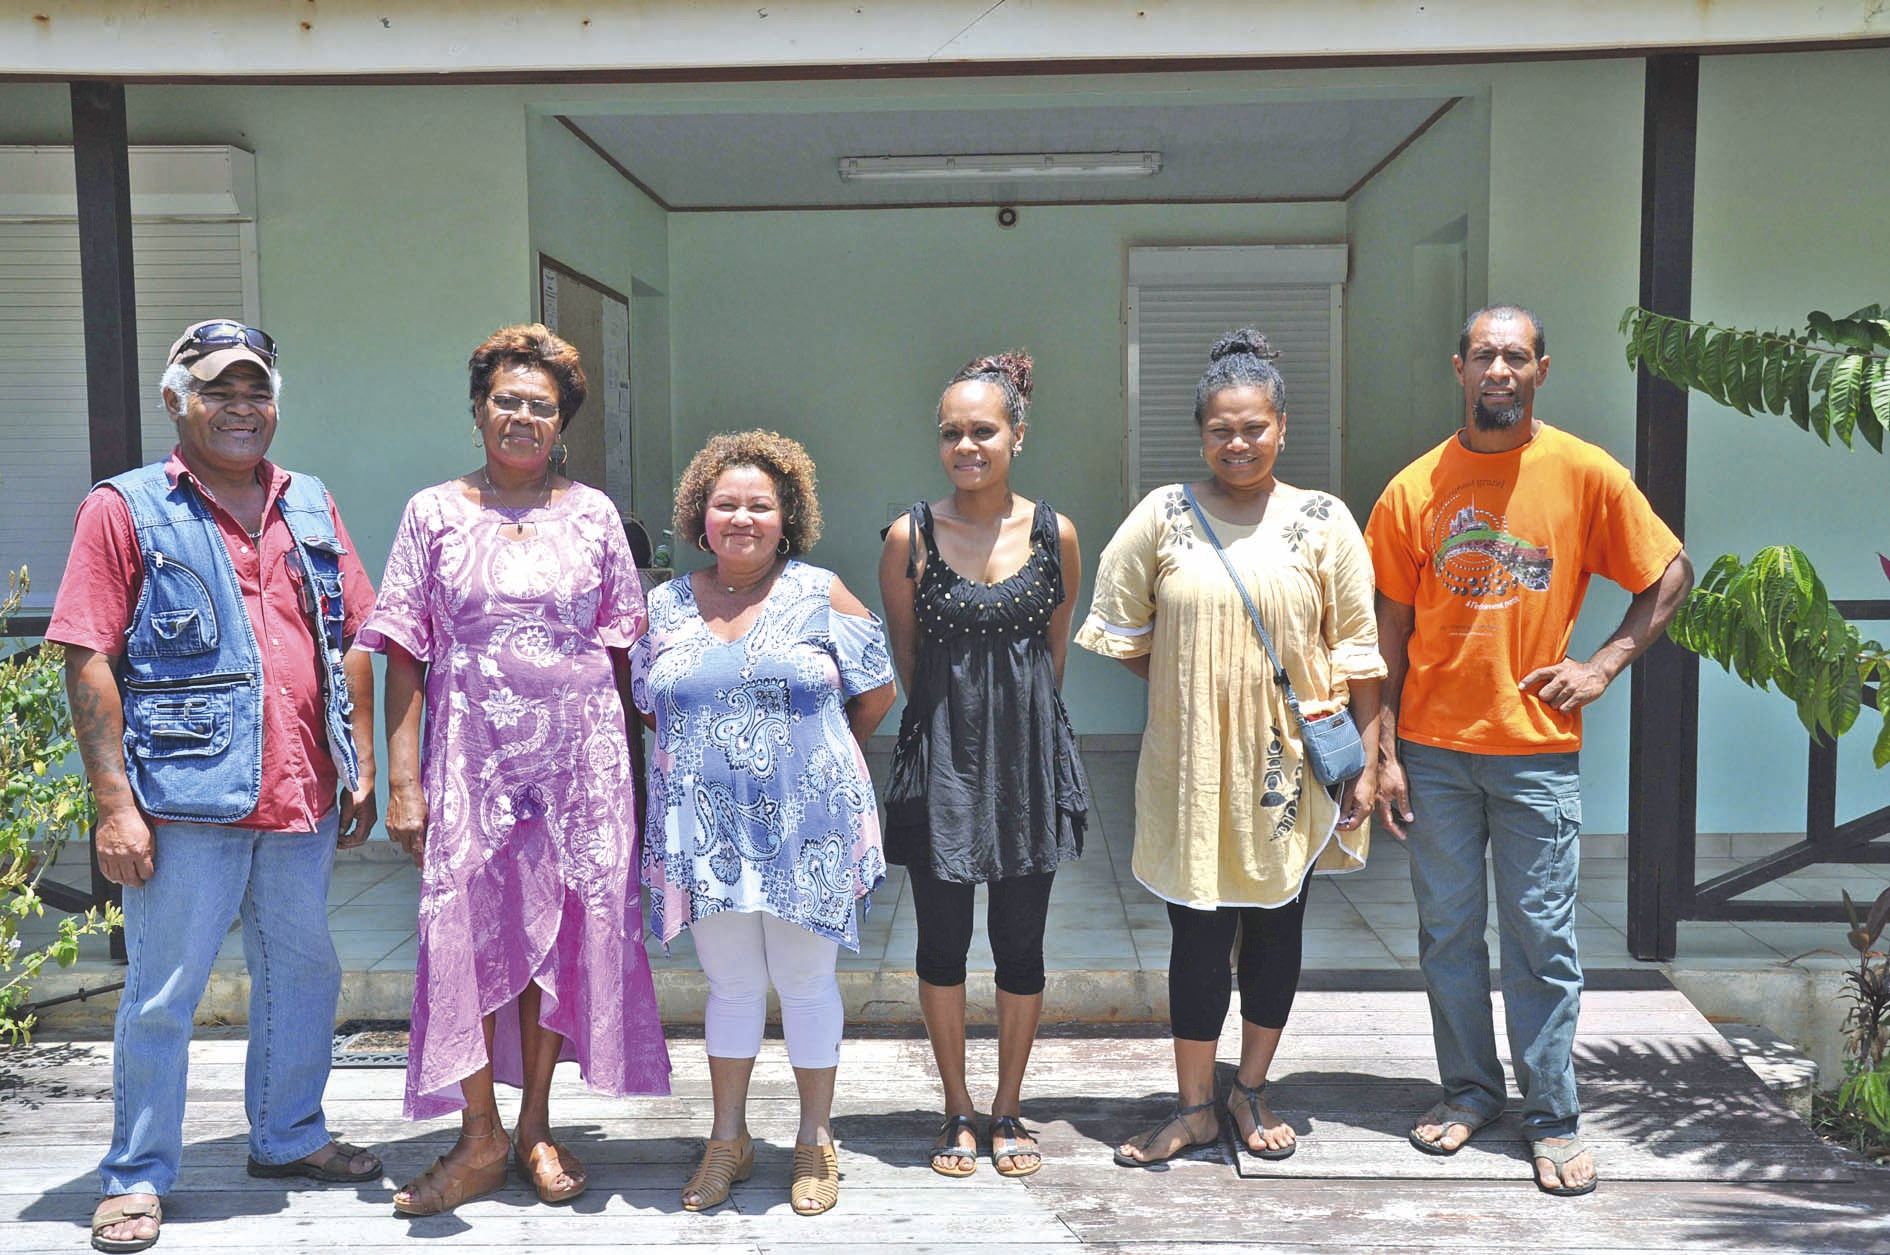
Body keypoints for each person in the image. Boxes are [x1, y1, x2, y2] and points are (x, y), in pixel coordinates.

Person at [52, 320, 382, 1254]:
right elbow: (87, 654)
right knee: (163, 990)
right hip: (184, 797)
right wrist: (114, 804)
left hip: (300, 789)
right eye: (219, 389)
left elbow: (355, 632)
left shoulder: (309, 502)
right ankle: (134, 1175)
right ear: (177, 401)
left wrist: (352, 758)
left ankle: (287, 1135)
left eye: (256, 390)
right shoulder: (122, 508)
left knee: (305, 971)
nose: (242, 406)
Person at [1365, 304, 1692, 1197]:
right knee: (1448, 936)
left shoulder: (1585, 474)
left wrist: (1605, 662)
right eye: (1484, 356)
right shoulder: (1413, 489)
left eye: (1515, 356)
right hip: (1431, 751)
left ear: (1542, 369)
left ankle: (1552, 1116)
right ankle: (1470, 1091)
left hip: (1537, 751)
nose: (1498, 370)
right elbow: (1387, 627)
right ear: (1459, 367)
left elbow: (1670, 573)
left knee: (1542, 940)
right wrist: (1383, 744)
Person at [357, 323, 670, 1216]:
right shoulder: (433, 512)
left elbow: (623, 652)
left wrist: (636, 782)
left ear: (562, 419)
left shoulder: (597, 513)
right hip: (471, 757)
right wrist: (406, 778)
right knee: (465, 928)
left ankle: (533, 1123)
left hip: (580, 763)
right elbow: (404, 649)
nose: (522, 416)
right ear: (479, 410)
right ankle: (477, 1133)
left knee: (555, 937)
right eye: (507, 399)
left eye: (541, 404)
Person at [1076, 329, 1384, 1168]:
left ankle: (1249, 1086)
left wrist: (1369, 752)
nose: (1237, 442)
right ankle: (1194, 1106)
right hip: (1194, 766)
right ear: (1201, 432)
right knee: (1198, 934)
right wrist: (1198, 692)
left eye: (1253, 427)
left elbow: (1358, 645)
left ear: (1283, 426)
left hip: (1290, 768)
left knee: (1278, 927)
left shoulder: (1323, 520)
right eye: (1221, 429)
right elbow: (1121, 627)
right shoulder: (1163, 515)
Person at [633, 430, 895, 1217]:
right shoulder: (667, 603)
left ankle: (815, 1137)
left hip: (806, 829)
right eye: (725, 504)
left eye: (759, 505)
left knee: (807, 981)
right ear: (699, 515)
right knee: (732, 983)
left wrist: (811, 760)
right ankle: (729, 1138)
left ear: (788, 517)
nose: (741, 517)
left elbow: (875, 689)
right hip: (704, 831)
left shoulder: (821, 593)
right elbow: (649, 703)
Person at [877, 350, 1088, 1179]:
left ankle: (1009, 1106)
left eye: (983, 430)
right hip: (943, 763)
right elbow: (908, 654)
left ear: (1017, 434)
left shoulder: (1055, 533)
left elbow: (1054, 651)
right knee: (940, 942)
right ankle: (956, 1108)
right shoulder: (911, 536)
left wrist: (1020, 733)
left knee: (1021, 943)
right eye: (952, 433)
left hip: (1026, 766)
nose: (967, 445)